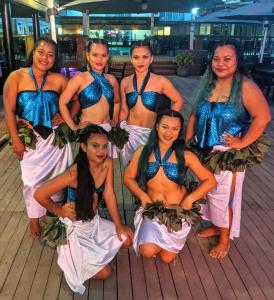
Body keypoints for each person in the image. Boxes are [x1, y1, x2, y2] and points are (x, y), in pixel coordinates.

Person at [185, 40, 271, 259]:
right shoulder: (208, 83)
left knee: (224, 198)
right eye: (216, 59)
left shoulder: (244, 86)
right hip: (203, 150)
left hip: (226, 154)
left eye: (227, 59)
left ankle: (225, 239)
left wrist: (242, 143)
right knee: (209, 194)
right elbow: (195, 115)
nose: (220, 64)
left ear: (237, 61)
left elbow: (263, 116)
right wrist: (186, 145)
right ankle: (216, 226)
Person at [34, 124, 133, 294]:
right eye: (95, 146)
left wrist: (118, 225)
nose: (101, 151)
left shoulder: (108, 163)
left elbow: (108, 193)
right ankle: (73, 258)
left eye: (104, 146)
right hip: (76, 229)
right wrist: (61, 211)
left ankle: (93, 254)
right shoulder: (74, 173)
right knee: (105, 273)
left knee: (127, 239)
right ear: (84, 147)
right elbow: (39, 194)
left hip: (94, 223)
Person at [3, 37, 76, 239]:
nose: (45, 57)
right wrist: (16, 140)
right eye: (41, 52)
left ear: (55, 58)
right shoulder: (16, 76)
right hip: (30, 140)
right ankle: (34, 219)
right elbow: (9, 111)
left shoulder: (59, 80)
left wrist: (66, 115)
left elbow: (75, 99)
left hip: (55, 141)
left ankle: (54, 214)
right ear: (33, 53)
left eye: (50, 55)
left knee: (59, 179)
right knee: (31, 181)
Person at [124, 109, 216, 263]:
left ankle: (165, 242)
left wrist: (191, 199)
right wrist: (142, 195)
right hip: (154, 210)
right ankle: (152, 240)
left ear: (180, 131)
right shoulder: (143, 152)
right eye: (165, 127)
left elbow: (210, 180)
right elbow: (128, 178)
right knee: (146, 251)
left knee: (167, 259)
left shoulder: (186, 155)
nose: (169, 133)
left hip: (177, 212)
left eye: (175, 129)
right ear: (156, 127)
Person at [119, 41, 184, 166]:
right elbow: (124, 109)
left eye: (145, 57)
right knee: (130, 172)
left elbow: (178, 100)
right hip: (130, 134)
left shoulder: (160, 81)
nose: (140, 61)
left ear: (151, 59)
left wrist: (167, 124)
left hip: (151, 134)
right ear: (131, 59)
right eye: (136, 57)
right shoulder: (125, 82)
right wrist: (121, 131)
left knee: (149, 171)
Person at [59, 38, 120, 158]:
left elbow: (117, 102)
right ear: (87, 56)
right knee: (87, 170)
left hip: (107, 130)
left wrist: (115, 119)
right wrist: (73, 126)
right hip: (88, 131)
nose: (99, 59)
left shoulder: (111, 79)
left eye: (104, 55)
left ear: (108, 57)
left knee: (106, 168)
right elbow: (62, 102)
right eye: (95, 55)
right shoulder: (79, 78)